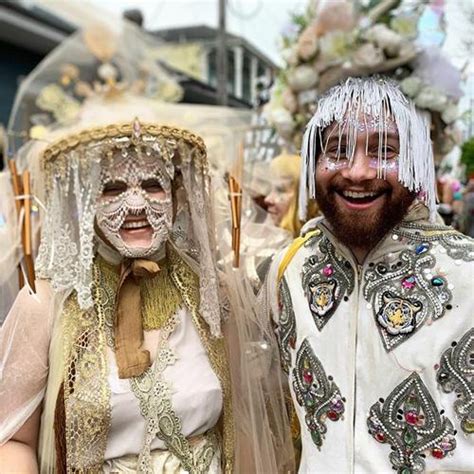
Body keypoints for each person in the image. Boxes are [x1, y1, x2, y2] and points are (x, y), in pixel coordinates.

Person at [0, 23, 293, 473]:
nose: (135, 204)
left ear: (177, 196)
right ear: (84, 200)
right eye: (112, 188)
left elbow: (243, 426)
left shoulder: (212, 296)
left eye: (153, 186)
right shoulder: (45, 304)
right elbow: (12, 441)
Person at [263, 76, 474, 473]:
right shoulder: (288, 270)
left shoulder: (468, 274)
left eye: (384, 150)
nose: (358, 172)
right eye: (337, 151)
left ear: (417, 161)